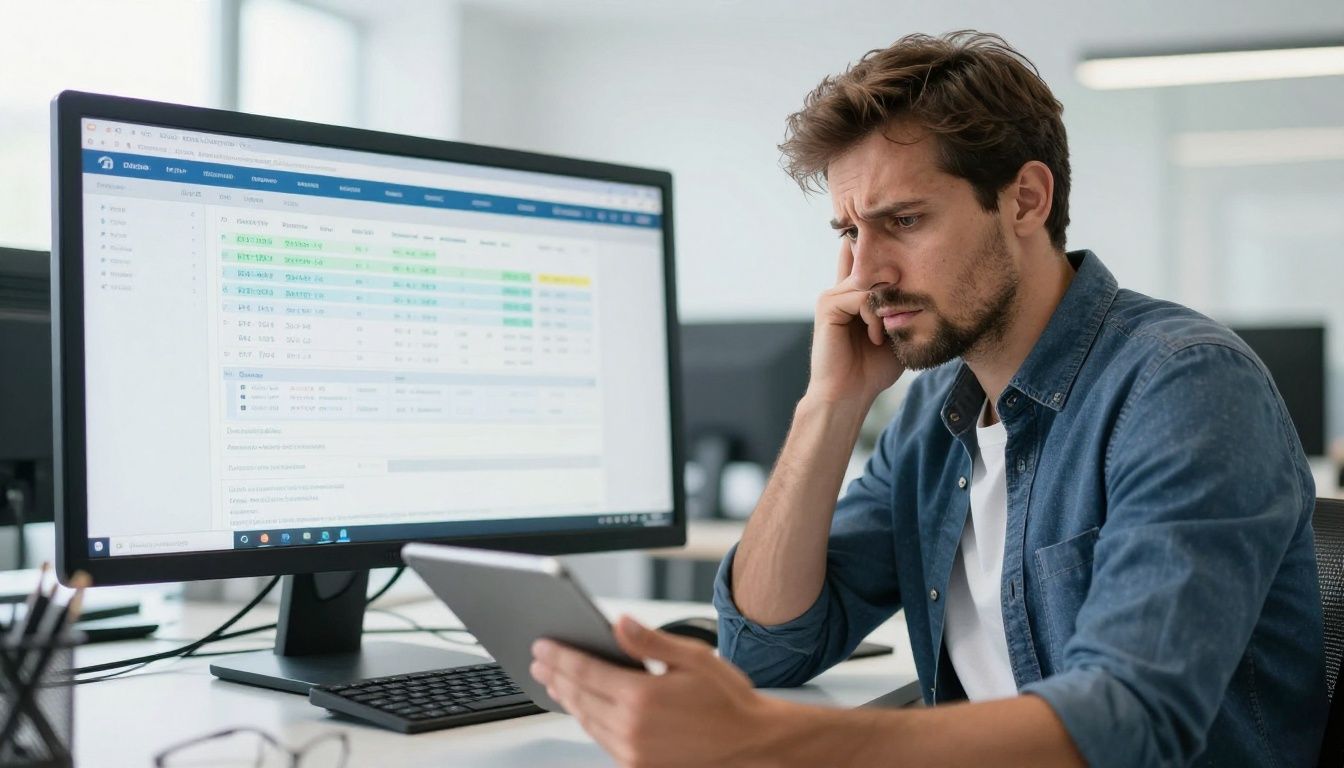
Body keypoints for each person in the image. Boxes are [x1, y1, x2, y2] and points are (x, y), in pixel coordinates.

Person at [529, 30, 1327, 767]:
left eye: (902, 220)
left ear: (1025, 200)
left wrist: (762, 740)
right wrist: (828, 406)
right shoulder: (933, 416)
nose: (863, 272)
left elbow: (1132, 720)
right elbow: (767, 646)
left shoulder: (1182, 385)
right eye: (847, 232)